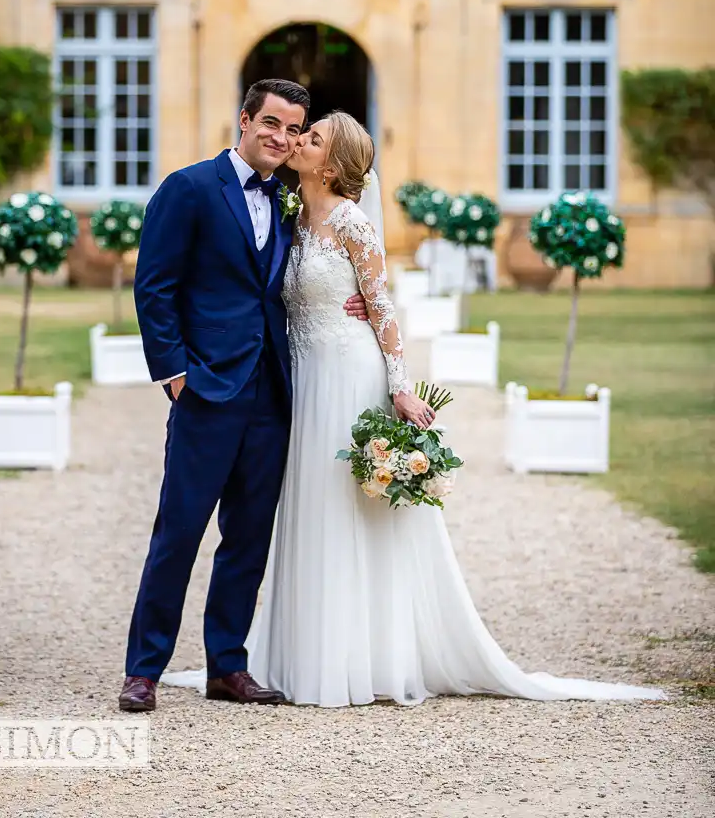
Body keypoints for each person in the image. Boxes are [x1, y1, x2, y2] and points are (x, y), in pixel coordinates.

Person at [163, 111, 665, 706]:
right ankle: (303, 653)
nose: (298, 141)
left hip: (350, 373)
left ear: (332, 162)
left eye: (313, 137)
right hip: (301, 377)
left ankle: (364, 657)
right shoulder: (291, 213)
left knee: (351, 509)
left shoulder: (352, 223)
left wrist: (401, 386)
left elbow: (382, 309)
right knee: (308, 506)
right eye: (300, 132)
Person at [118, 80, 369, 713]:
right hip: (206, 388)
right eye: (272, 124)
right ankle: (144, 669)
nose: (282, 138)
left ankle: (227, 666)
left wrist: (354, 301)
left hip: (272, 394)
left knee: (249, 536)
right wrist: (175, 372)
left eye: (293, 129)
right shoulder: (191, 188)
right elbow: (154, 286)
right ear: (245, 120)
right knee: (178, 533)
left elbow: (306, 274)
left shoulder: (291, 197)